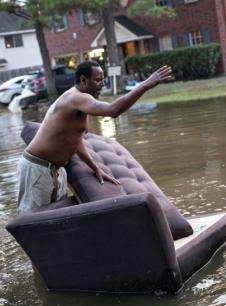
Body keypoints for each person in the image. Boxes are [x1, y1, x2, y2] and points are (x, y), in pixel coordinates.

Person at [16, 61, 173, 214]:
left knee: (55, 219)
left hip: (55, 170)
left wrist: (95, 168)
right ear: (83, 80)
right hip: (38, 167)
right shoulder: (75, 98)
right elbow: (113, 111)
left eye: (103, 79)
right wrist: (145, 85)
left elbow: (76, 140)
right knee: (32, 221)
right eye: (98, 80)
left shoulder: (81, 104)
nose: (102, 84)